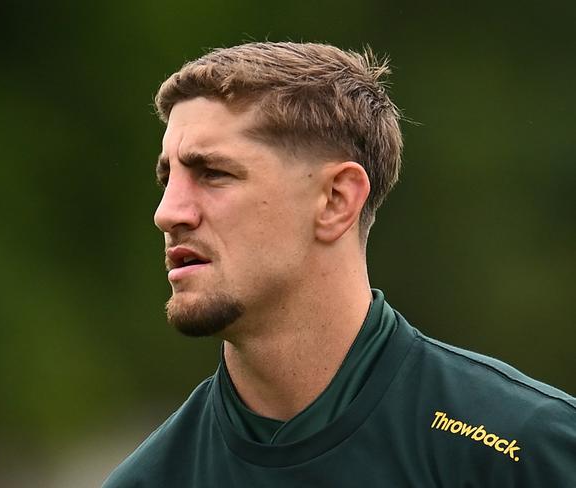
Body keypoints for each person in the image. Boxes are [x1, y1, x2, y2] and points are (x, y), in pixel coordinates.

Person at [103, 42, 575, 487]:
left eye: (212, 173)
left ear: (335, 200)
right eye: (169, 177)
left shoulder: (523, 451)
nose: (167, 212)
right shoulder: (150, 479)